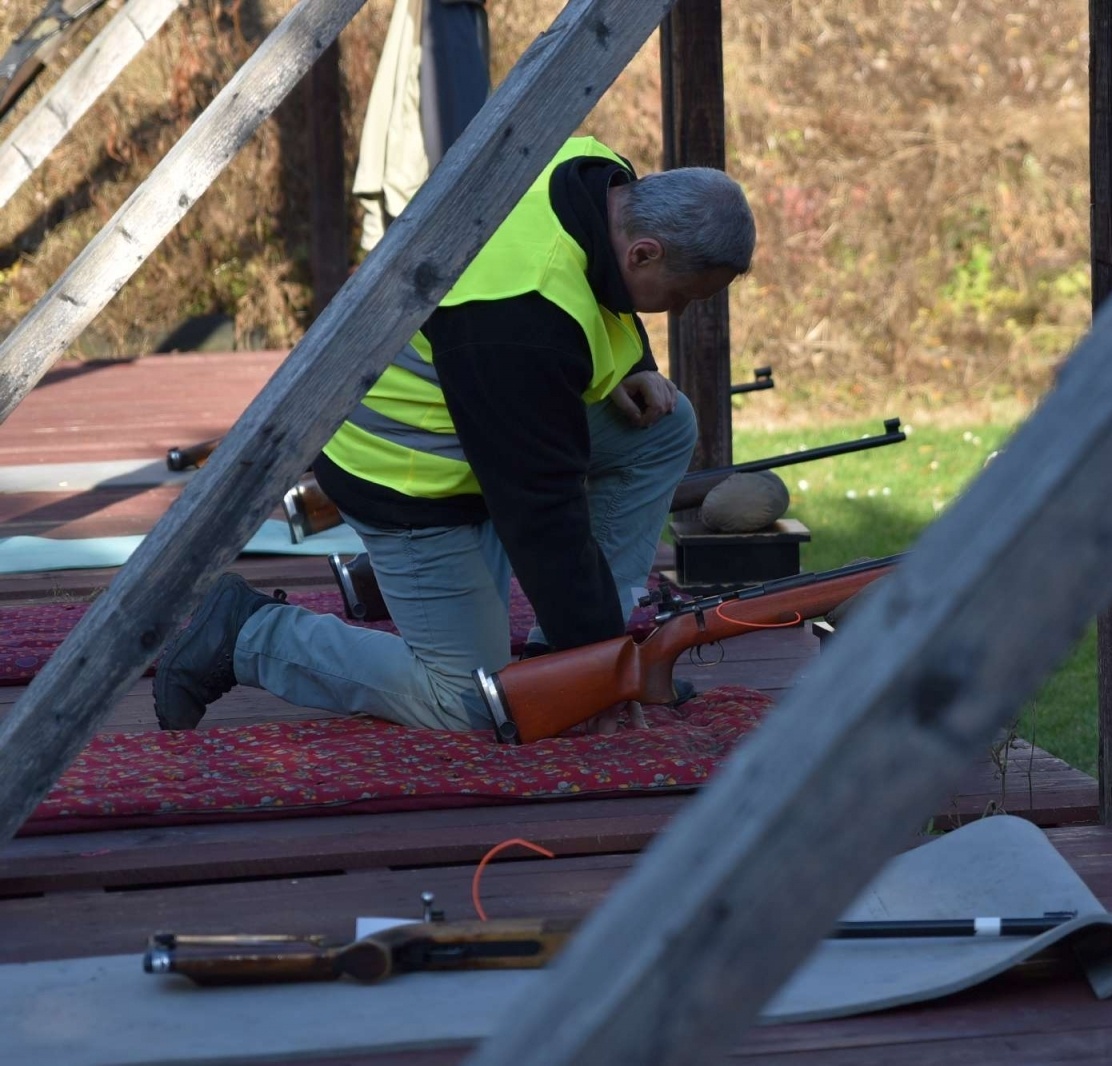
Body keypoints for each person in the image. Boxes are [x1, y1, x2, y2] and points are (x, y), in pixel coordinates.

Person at [154, 136, 757, 733]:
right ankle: (249, 633)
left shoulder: (591, 167)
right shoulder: (523, 316)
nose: (676, 312)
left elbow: (594, 292)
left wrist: (634, 363)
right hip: (406, 471)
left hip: (482, 415)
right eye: (680, 296)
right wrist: (601, 666)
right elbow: (543, 514)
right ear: (645, 252)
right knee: (474, 702)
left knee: (662, 428)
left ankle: (560, 658)